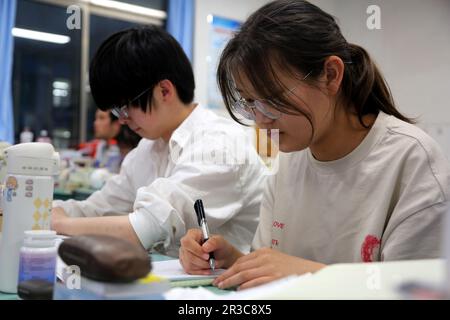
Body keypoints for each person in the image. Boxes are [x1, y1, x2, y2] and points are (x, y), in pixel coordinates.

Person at [179, 0, 450, 290]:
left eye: (271, 99)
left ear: (331, 75)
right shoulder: (289, 160)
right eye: (249, 103)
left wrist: (311, 274)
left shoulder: (411, 161)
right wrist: (234, 262)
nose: (261, 122)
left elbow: (417, 292)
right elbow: (275, 269)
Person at [51, 26, 266, 257]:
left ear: (164, 90)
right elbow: (98, 208)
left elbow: (145, 228)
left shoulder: (219, 145)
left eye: (125, 107)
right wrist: (50, 211)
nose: (122, 120)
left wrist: (60, 223)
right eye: (116, 111)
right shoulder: (148, 148)